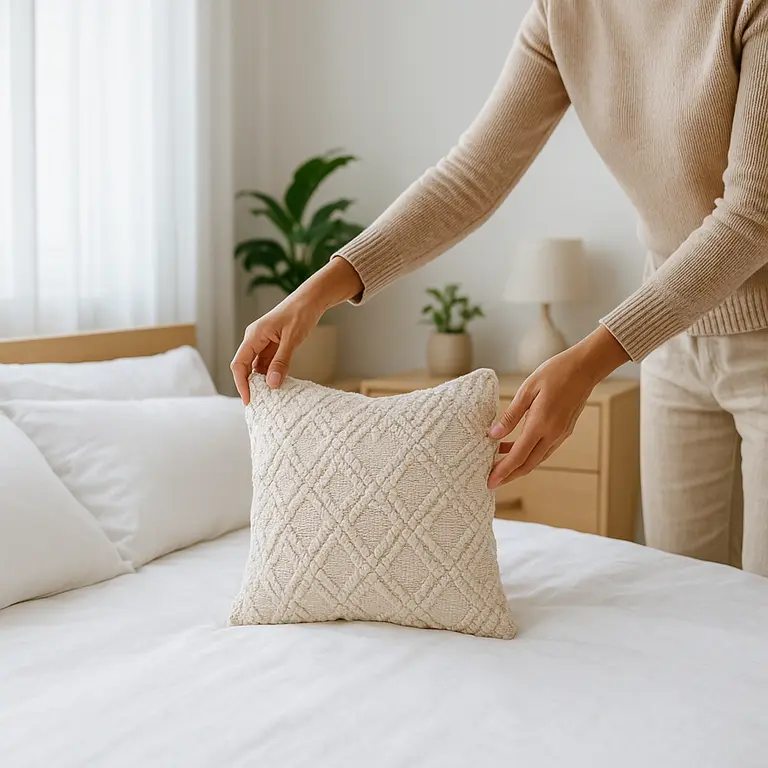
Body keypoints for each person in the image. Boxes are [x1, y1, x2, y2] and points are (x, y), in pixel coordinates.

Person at [232, 0, 768, 575]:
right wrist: (315, 292)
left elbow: (752, 217)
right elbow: (470, 179)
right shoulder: (564, 12)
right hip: (672, 342)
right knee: (684, 587)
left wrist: (589, 362)